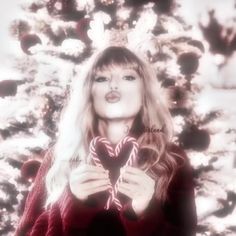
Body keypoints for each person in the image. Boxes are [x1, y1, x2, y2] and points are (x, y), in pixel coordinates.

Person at [15, 46, 197, 236]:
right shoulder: (60, 156)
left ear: (144, 94)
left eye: (128, 77)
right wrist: (71, 203)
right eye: (101, 78)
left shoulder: (172, 160)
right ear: (89, 93)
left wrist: (143, 212)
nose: (114, 84)